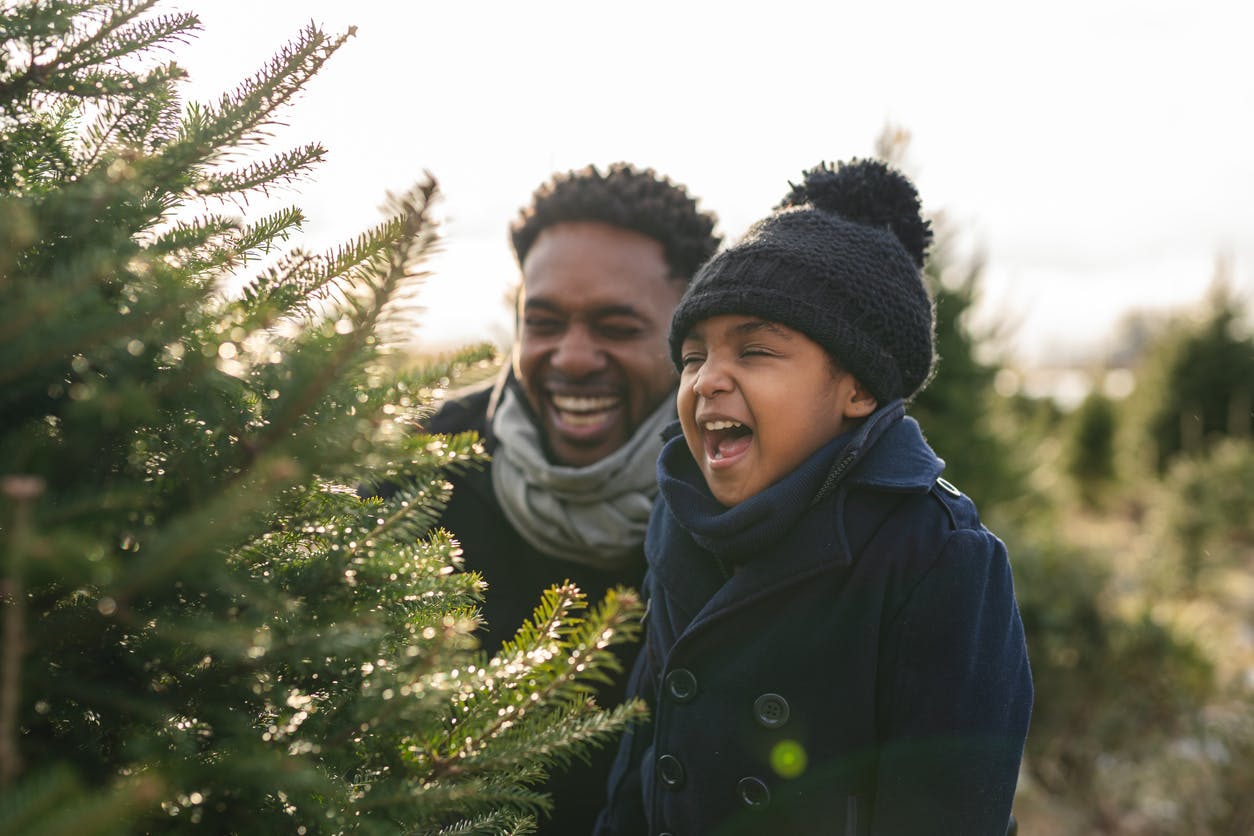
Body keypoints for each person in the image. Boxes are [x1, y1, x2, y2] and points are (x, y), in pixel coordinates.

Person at [595, 159, 1033, 836]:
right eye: (693, 356)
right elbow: (643, 757)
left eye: (756, 351)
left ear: (858, 389)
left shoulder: (939, 557)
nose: (709, 379)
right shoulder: (679, 518)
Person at [421, 162, 721, 834]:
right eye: (546, 321)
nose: (574, 357)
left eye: (617, 327)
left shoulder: (739, 496)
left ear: (690, 339)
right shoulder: (426, 468)